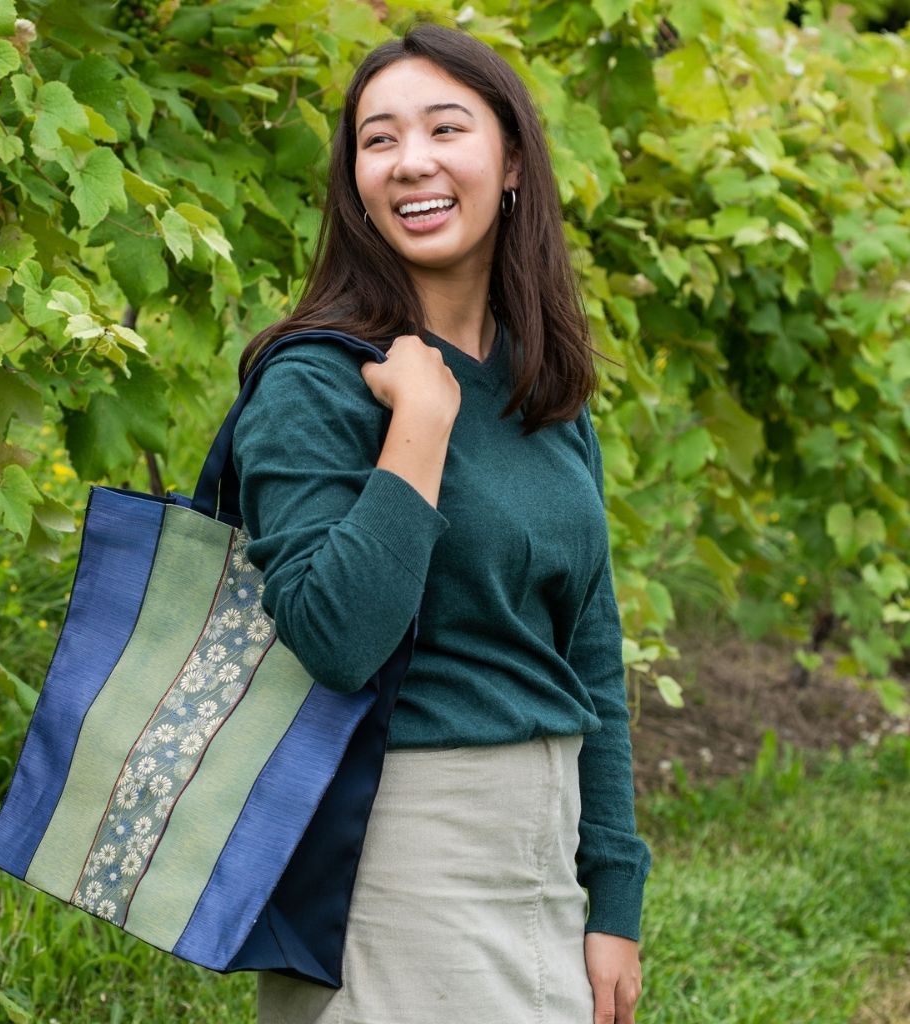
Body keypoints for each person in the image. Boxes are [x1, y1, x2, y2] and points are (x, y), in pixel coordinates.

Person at [231, 22, 651, 1024]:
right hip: (389, 853)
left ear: (510, 162)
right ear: (354, 181)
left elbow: (588, 648)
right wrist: (417, 424)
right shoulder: (317, 379)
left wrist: (614, 895)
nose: (410, 161)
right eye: (378, 140)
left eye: (443, 128)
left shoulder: (541, 385)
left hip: (540, 852)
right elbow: (335, 637)